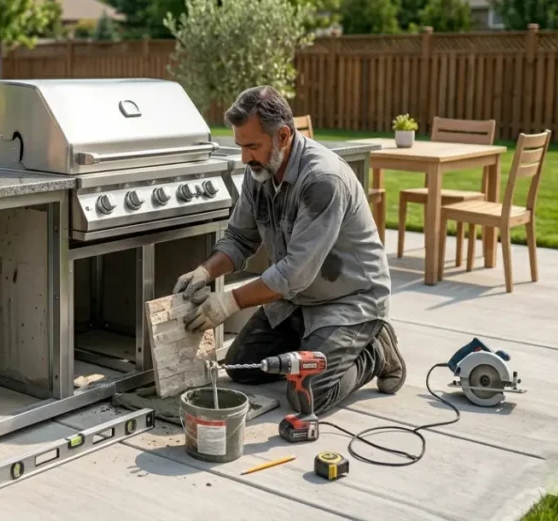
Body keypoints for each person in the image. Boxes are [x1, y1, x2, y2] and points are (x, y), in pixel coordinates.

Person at [173, 85, 406, 416]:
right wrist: (204, 272)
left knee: (307, 395)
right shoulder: (259, 172)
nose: (244, 157)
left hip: (349, 300)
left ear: (283, 135)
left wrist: (228, 302)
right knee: (240, 368)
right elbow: (239, 238)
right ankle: (318, 347)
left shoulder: (323, 180)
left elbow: (293, 273)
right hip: (296, 299)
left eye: (252, 146)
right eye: (240, 146)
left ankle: (376, 351)